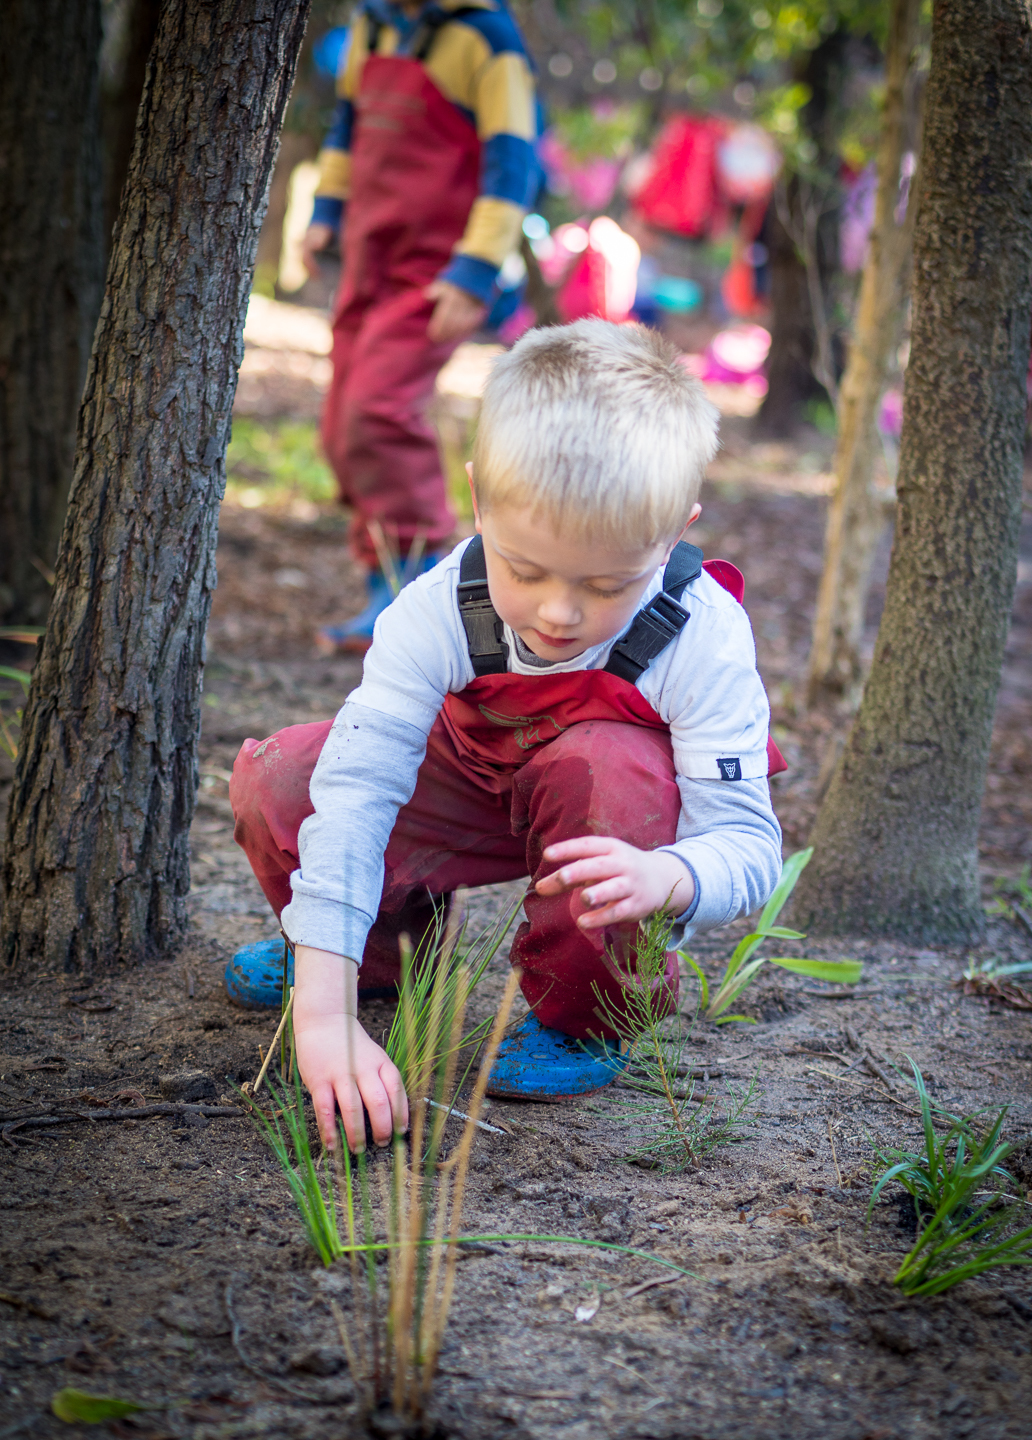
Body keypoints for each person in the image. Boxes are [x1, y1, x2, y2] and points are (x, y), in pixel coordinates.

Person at [227, 321, 784, 1150]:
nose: (560, 613)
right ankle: (378, 953)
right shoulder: (436, 607)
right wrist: (324, 1007)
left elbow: (748, 843)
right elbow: (358, 788)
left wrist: (669, 874)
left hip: (604, 826)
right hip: (468, 785)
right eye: (525, 570)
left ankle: (584, 1013)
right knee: (287, 778)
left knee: (607, 768)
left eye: (606, 585)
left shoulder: (701, 635)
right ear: (480, 498)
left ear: (674, 532)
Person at [305, 0, 540, 652]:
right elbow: (347, 124)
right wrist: (326, 207)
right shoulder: (371, 25)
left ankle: (420, 593)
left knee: (377, 410)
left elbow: (514, 161)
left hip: (434, 270)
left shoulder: (485, 39)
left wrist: (475, 272)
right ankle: (382, 583)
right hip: (367, 255)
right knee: (338, 429)